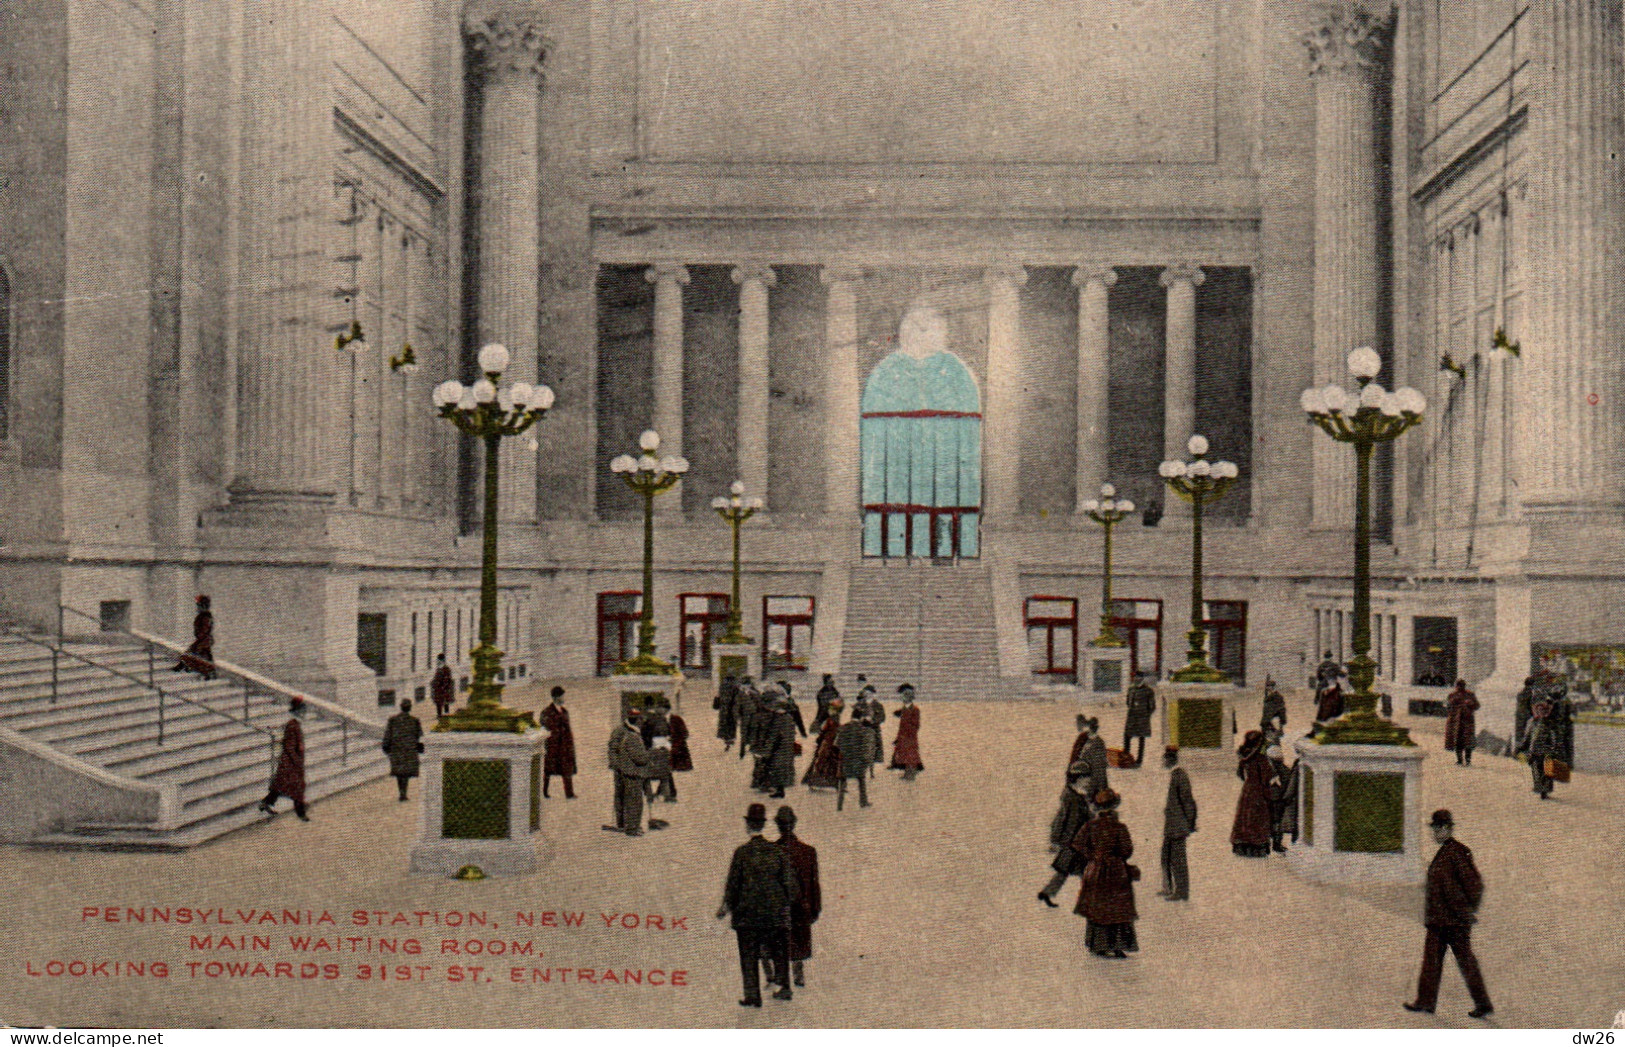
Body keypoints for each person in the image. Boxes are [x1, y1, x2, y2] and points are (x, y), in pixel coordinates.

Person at [1404, 810, 1494, 1019]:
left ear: (1446, 828)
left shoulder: (1458, 852)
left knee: (1466, 962)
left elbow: (1474, 885)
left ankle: (1483, 1003)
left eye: (1437, 829)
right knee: (1431, 961)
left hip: (1454, 922)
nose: (1434, 834)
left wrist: (1465, 911)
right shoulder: (1444, 852)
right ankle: (1425, 1001)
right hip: (1438, 920)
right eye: (1433, 829)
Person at [716, 803, 797, 1006]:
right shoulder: (777, 851)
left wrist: (726, 907)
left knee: (749, 956)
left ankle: (752, 996)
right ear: (762, 825)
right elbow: (791, 884)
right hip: (775, 914)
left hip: (748, 915)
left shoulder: (742, 853)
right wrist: (782, 903)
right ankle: (785, 988)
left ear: (748, 826)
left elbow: (733, 884)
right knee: (779, 952)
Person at [1072, 789, 1138, 958]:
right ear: (1114, 807)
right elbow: (1126, 850)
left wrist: (1093, 856)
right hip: (1116, 871)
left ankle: (1098, 945)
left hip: (1095, 871)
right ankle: (1117, 945)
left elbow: (1078, 843)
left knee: (1097, 908)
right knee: (1117, 909)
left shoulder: (1090, 826)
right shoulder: (1119, 827)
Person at [773, 806, 821, 989]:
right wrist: (815, 908)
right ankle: (798, 975)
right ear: (794, 824)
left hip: (780, 908)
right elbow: (814, 883)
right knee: (798, 942)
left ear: (778, 825)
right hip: (803, 907)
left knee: (780, 943)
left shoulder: (772, 850)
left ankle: (780, 977)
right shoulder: (808, 851)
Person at [1038, 765, 1095, 907]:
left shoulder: (1078, 796)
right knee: (1081, 870)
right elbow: (1060, 819)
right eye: (1085, 778)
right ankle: (1088, 900)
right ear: (1077, 779)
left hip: (1077, 841)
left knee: (1067, 870)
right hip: (1073, 842)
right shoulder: (1072, 798)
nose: (1088, 781)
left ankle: (1047, 892)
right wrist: (1055, 840)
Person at [259, 698, 309, 821]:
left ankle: (265, 803)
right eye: (302, 711)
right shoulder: (292, 725)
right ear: (297, 712)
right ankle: (301, 813)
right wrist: (297, 761)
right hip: (290, 763)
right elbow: (289, 746)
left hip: (291, 762)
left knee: (280, 787)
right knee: (297, 788)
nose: (304, 713)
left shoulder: (295, 724)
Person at [606, 708, 653, 836]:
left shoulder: (635, 731)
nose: (642, 722)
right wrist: (617, 766)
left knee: (628, 796)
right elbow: (612, 749)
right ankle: (622, 824)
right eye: (640, 719)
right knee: (622, 796)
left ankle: (628, 825)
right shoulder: (620, 731)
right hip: (621, 769)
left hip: (627, 769)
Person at [1159, 746, 1197, 901]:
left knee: (1178, 860)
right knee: (1165, 857)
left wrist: (1190, 823)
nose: (1162, 761)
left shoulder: (1179, 776)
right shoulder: (1174, 775)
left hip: (1177, 827)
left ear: (1169, 760)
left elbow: (1188, 801)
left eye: (1164, 759)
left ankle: (1181, 891)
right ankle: (1168, 888)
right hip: (1171, 826)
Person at [1231, 730, 1274, 857]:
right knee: (1258, 819)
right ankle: (1256, 848)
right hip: (1258, 791)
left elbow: (1240, 774)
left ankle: (1242, 846)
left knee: (1244, 817)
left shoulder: (1245, 757)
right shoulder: (1261, 759)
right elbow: (1267, 777)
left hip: (1248, 789)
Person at [381, 698, 424, 802]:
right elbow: (420, 735)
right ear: (410, 708)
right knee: (405, 773)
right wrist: (419, 747)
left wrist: (386, 747)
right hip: (409, 749)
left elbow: (388, 734)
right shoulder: (414, 720)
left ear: (401, 707)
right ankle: (403, 793)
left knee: (400, 773)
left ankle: (402, 793)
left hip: (397, 749)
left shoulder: (393, 720)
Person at [540, 686, 577, 799]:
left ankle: (569, 794)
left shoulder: (564, 711)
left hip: (565, 746)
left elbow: (568, 728)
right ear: (556, 697)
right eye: (562, 696)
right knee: (548, 770)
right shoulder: (547, 712)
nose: (563, 698)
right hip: (554, 746)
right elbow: (545, 727)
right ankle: (545, 792)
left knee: (567, 769)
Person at [1522, 696, 1562, 799]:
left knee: (1537, 768)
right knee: (1546, 769)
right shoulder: (1551, 723)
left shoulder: (1535, 721)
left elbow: (1528, 736)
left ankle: (1541, 788)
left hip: (1536, 749)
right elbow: (1556, 737)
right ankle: (1544, 789)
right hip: (1546, 749)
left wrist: (1523, 746)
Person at [761, 693, 799, 799]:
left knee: (776, 768)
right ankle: (780, 789)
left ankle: (779, 790)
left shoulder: (778, 719)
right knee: (781, 769)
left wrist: (767, 751)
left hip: (778, 748)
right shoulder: (789, 718)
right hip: (787, 747)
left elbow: (773, 736)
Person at [835, 708, 873, 811]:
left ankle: (839, 805)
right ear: (860, 718)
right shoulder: (863, 729)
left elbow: (836, 744)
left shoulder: (843, 728)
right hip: (858, 763)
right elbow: (865, 747)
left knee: (842, 783)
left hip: (846, 761)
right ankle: (863, 802)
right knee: (861, 781)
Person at [173, 594, 217, 680]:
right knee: (204, 656)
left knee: (195, 655)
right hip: (203, 640)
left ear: (202, 606)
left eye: (198, 605)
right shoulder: (203, 616)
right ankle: (208, 673)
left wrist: (199, 637)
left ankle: (207, 673)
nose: (197, 607)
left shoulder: (205, 617)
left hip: (204, 641)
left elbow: (203, 631)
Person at [641, 704, 677, 806]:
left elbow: (644, 737)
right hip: (663, 750)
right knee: (665, 774)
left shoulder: (648, 723)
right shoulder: (664, 722)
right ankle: (667, 795)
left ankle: (650, 796)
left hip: (651, 750)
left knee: (647, 774)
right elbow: (670, 735)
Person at [802, 701, 843, 789]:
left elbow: (824, 731)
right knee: (828, 763)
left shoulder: (831, 720)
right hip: (830, 744)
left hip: (827, 743)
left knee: (821, 762)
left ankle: (816, 781)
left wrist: (820, 738)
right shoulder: (834, 719)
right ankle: (829, 782)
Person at [1267, 744, 1298, 853]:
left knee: (1272, 822)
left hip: (1272, 799)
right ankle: (1276, 844)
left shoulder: (1268, 769)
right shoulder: (1285, 770)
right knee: (1277, 822)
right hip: (1279, 800)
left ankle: (1272, 843)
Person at [890, 684, 923, 780]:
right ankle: (907, 773)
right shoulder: (905, 709)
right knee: (905, 755)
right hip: (903, 736)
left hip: (910, 737)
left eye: (906, 695)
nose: (903, 698)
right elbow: (902, 726)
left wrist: (904, 717)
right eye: (903, 695)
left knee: (911, 755)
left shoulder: (915, 709)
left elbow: (915, 725)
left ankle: (911, 774)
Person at [1444, 679, 1480, 766]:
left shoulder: (1470, 695)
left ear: (1464, 686)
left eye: (1461, 685)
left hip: (1467, 721)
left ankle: (1468, 760)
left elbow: (1477, 705)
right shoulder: (1452, 695)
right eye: (1458, 685)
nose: (1459, 687)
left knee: (1468, 741)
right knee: (1457, 741)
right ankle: (1459, 760)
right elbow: (1446, 706)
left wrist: (1470, 703)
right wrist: (1451, 703)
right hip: (1455, 721)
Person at [1122, 674, 1156, 766]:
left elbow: (1152, 706)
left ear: (1142, 678)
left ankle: (1139, 761)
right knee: (1127, 736)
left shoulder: (1148, 691)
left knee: (1141, 739)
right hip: (1132, 717)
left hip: (1142, 718)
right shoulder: (1131, 689)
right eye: (1135, 677)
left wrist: (1146, 715)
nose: (1136, 679)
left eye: (1138, 677)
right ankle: (1126, 758)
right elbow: (1128, 702)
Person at [736, 676, 760, 761]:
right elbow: (737, 706)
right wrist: (738, 717)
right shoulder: (740, 694)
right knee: (744, 735)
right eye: (743, 685)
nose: (745, 687)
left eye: (746, 685)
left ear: (750, 685)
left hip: (754, 717)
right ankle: (741, 753)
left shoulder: (755, 692)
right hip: (744, 718)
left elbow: (759, 704)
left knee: (753, 734)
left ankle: (753, 751)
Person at [715, 674, 740, 751]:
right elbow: (737, 700)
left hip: (723, 710)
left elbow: (718, 698)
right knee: (731, 726)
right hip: (732, 710)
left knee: (724, 725)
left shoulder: (722, 686)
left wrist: (717, 702)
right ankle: (729, 740)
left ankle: (726, 740)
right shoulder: (736, 687)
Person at [1513, 676, 1536, 753]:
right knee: (1524, 732)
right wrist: (1533, 715)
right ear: (1531, 685)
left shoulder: (1520, 693)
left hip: (1518, 714)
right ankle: (1520, 750)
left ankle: (1516, 749)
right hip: (1525, 715)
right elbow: (1530, 706)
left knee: (1518, 731)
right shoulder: (1530, 694)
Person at [668, 705, 693, 776]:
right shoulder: (657, 721)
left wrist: (676, 743)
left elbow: (685, 733)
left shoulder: (676, 719)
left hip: (681, 759)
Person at [430, 654, 455, 718]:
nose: (438, 661)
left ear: (442, 661)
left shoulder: (446, 668)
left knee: (444, 701)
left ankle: (445, 713)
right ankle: (439, 714)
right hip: (438, 688)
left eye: (439, 660)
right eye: (438, 660)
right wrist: (433, 682)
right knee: (438, 702)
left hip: (443, 688)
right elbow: (436, 677)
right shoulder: (438, 668)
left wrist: (444, 686)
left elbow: (447, 679)